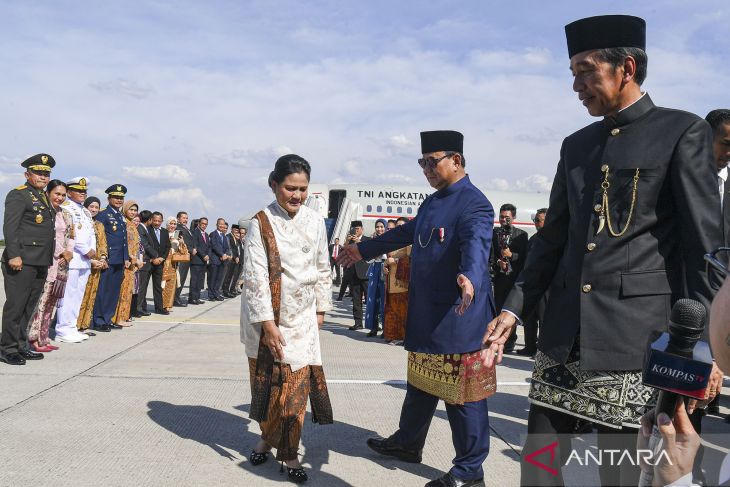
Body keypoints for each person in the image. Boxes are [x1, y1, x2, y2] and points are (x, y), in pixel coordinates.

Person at [479, 15, 722, 487]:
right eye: (572, 73)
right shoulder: (577, 145)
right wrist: (512, 311)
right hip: (563, 337)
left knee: (620, 474)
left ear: (626, 68)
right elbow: (553, 241)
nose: (576, 85)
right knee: (541, 469)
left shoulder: (682, 132)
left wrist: (707, 345)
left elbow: (703, 247)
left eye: (585, 71)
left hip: (636, 340)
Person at [339, 130, 496, 487]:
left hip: (458, 315)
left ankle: (470, 472)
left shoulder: (474, 203)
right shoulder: (432, 202)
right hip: (428, 313)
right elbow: (406, 233)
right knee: (421, 384)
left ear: (456, 160)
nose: (425, 168)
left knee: (463, 396)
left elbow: (476, 243)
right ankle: (409, 443)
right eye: (421, 162)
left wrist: (469, 277)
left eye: (432, 161)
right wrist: (363, 250)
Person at [241, 154, 332, 483]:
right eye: (290, 188)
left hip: (302, 319)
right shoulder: (260, 222)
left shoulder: (315, 222)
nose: (296, 196)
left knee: (295, 392)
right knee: (267, 388)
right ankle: (267, 437)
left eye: (303, 189)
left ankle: (289, 454)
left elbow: (323, 268)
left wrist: (320, 309)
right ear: (273, 185)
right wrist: (267, 324)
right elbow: (255, 277)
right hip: (266, 321)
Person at [1, 154, 57, 365]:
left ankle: (21, 344)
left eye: (46, 174)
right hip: (22, 260)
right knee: (16, 306)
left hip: (40, 260)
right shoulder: (19, 195)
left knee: (28, 307)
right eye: (39, 173)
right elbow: (10, 227)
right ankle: (7, 348)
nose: (43, 177)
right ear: (27, 174)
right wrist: (14, 254)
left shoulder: (42, 196)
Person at [27, 179, 74, 350]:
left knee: (52, 303)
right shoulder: (43, 212)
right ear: (48, 193)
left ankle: (44, 337)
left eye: (63, 195)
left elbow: (72, 236)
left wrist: (69, 251)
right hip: (47, 262)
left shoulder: (66, 214)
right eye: (57, 194)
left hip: (62, 264)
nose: (60, 198)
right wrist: (59, 251)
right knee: (41, 301)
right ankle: (33, 338)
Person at [55, 177, 97, 342]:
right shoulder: (67, 208)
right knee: (67, 296)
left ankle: (72, 327)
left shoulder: (85, 211)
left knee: (78, 295)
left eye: (84, 191)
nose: (82, 193)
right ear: (70, 192)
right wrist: (87, 250)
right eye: (79, 190)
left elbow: (91, 233)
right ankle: (62, 330)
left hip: (85, 260)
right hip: (73, 258)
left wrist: (92, 250)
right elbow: (72, 233)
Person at [489, 203, 528, 353]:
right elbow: (492, 253)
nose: (503, 220)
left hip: (514, 279)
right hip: (499, 278)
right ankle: (497, 338)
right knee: (498, 309)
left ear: (514, 218)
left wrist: (511, 256)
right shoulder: (494, 232)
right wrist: (498, 263)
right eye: (501, 217)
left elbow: (525, 257)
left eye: (507, 217)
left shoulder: (521, 235)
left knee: (511, 311)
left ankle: (510, 341)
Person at [92, 184, 130, 332]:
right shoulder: (103, 214)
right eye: (116, 197)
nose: (119, 200)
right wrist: (103, 257)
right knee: (103, 291)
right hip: (108, 259)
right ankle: (99, 320)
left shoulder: (120, 215)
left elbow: (124, 240)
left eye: (121, 198)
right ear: (109, 198)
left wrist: (125, 257)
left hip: (119, 259)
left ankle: (108, 318)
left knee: (113, 291)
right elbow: (100, 238)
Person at [515, 208, 547, 357]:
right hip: (531, 285)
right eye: (535, 221)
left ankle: (542, 350)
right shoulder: (534, 239)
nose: (536, 224)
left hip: (545, 287)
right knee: (529, 319)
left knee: (544, 320)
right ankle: (530, 346)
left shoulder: (551, 240)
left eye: (538, 220)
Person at [77, 197, 108, 332]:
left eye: (96, 207)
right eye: (92, 207)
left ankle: (84, 325)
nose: (94, 210)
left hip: (97, 266)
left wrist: (102, 258)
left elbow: (103, 243)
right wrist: (91, 261)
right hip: (84, 264)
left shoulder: (100, 225)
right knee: (80, 295)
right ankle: (75, 325)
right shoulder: (81, 221)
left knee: (91, 295)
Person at [111, 200, 141, 326]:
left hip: (132, 264)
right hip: (125, 262)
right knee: (121, 291)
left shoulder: (132, 224)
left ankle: (123, 316)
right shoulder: (123, 223)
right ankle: (117, 318)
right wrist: (132, 258)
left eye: (135, 210)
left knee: (128, 291)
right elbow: (124, 244)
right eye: (131, 209)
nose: (133, 212)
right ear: (125, 209)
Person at [383, 216, 410, 345]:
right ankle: (391, 334)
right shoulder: (393, 240)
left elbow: (411, 258)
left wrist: (396, 261)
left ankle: (402, 337)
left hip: (403, 282)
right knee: (392, 309)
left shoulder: (410, 240)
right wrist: (385, 265)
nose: (399, 228)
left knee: (402, 311)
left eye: (401, 225)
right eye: (397, 225)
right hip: (391, 281)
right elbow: (388, 259)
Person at [344, 221, 370, 330]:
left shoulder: (367, 240)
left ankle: (373, 323)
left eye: (358, 229)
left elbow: (369, 253)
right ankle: (358, 323)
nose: (356, 231)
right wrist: (347, 241)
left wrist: (358, 241)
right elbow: (344, 252)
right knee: (356, 300)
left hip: (366, 274)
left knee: (370, 299)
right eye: (354, 229)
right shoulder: (350, 241)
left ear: (362, 229)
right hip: (353, 274)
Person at [365, 219, 387, 337]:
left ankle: (385, 328)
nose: (379, 229)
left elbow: (391, 254)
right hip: (374, 268)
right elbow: (367, 258)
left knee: (384, 300)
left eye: (381, 226)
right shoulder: (372, 240)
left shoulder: (390, 238)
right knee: (372, 298)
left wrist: (381, 254)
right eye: (377, 227)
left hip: (385, 268)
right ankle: (373, 327)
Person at [162, 217, 185, 311]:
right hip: (164, 262)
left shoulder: (177, 235)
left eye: (174, 224)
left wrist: (182, 243)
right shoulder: (163, 234)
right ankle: (162, 304)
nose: (172, 226)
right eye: (171, 224)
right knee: (163, 284)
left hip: (174, 263)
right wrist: (168, 241)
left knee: (171, 284)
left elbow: (183, 252)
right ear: (167, 224)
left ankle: (169, 304)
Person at [208, 218, 231, 301]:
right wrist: (222, 254)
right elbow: (214, 246)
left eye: (223, 224)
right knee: (213, 278)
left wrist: (226, 254)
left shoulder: (224, 236)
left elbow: (227, 248)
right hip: (215, 260)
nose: (222, 225)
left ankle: (216, 293)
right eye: (220, 224)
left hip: (222, 261)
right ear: (217, 224)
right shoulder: (213, 234)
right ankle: (211, 295)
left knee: (219, 278)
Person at [189, 216, 210, 305]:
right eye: (203, 224)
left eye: (206, 224)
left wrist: (208, 255)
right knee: (194, 280)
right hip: (196, 260)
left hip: (203, 261)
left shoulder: (206, 234)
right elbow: (196, 245)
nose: (204, 226)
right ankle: (192, 298)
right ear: (199, 224)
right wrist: (204, 255)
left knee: (200, 280)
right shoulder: (195, 232)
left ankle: (197, 297)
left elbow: (209, 246)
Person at [174, 211, 194, 307]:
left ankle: (177, 297)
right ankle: (175, 298)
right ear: (178, 219)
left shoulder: (186, 228)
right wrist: (190, 249)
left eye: (186, 218)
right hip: (181, 257)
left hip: (187, 256)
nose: (185, 220)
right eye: (183, 218)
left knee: (182, 278)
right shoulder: (178, 228)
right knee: (180, 279)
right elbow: (176, 241)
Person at [222, 224, 241, 297]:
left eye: (237, 230)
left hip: (234, 260)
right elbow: (229, 248)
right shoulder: (228, 237)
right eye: (235, 230)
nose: (236, 231)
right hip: (230, 259)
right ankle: (225, 291)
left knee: (230, 277)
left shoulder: (235, 238)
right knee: (227, 277)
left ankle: (228, 290)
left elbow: (236, 249)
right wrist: (234, 257)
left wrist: (237, 257)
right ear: (232, 229)